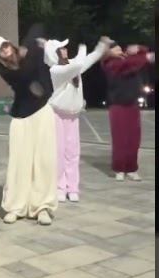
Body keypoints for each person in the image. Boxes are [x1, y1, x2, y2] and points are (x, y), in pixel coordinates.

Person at [0, 24, 57, 225]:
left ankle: (42, 207)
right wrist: (34, 48)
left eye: (6, 45)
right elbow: (24, 73)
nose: (5, 49)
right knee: (19, 163)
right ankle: (15, 207)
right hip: (21, 117)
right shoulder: (6, 71)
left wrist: (29, 45)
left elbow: (37, 27)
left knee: (44, 161)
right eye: (0, 49)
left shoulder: (29, 53)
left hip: (42, 111)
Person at [45, 35, 112, 202]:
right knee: (59, 153)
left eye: (64, 48)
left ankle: (72, 188)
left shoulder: (73, 65)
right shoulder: (55, 70)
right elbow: (79, 64)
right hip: (57, 114)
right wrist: (82, 49)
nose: (65, 50)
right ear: (54, 54)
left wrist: (101, 45)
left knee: (73, 153)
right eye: (61, 49)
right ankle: (60, 187)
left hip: (73, 116)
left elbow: (90, 59)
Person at [101, 42, 153, 180]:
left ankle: (131, 168)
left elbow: (139, 57)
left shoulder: (130, 61)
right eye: (115, 49)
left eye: (119, 48)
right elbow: (129, 64)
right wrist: (145, 57)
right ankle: (119, 169)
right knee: (120, 139)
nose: (119, 50)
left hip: (133, 104)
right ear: (109, 52)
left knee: (133, 139)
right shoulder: (109, 63)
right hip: (117, 106)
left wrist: (140, 48)